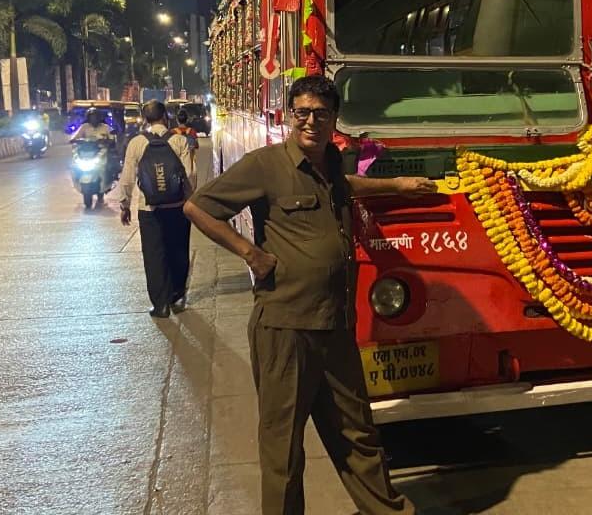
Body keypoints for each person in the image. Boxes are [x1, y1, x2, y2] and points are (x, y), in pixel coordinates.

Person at [184, 75, 434, 515]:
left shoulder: (331, 164)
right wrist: (251, 254)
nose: (311, 121)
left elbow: (346, 188)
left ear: (334, 118)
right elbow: (198, 207)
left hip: (334, 323)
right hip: (285, 327)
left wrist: (398, 186)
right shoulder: (266, 164)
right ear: (288, 116)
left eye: (321, 113)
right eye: (302, 112)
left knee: (357, 432)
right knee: (283, 447)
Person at [118, 100, 195, 318]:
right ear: (165, 117)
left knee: (153, 255)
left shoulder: (136, 143)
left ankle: (160, 304)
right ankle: (177, 296)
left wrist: (125, 205)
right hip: (177, 207)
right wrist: (189, 200)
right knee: (178, 250)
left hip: (149, 210)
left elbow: (127, 179)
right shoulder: (179, 140)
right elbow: (190, 175)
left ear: (145, 119)